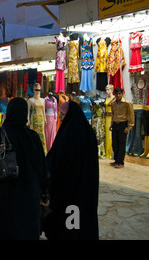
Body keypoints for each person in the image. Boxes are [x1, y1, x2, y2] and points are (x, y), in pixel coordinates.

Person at [0, 97, 49, 240]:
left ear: (9, 112)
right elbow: (42, 166)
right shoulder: (33, 136)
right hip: (29, 194)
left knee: (4, 231)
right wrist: (44, 193)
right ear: (25, 113)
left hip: (3, 193)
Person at [44, 100, 99, 240]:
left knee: (68, 220)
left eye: (62, 115)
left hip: (68, 188)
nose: (60, 118)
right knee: (81, 218)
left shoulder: (67, 136)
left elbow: (57, 163)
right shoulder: (89, 134)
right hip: (84, 187)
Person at [110, 87, 134, 168]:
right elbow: (112, 114)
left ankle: (120, 162)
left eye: (119, 93)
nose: (118, 95)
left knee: (121, 143)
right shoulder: (113, 103)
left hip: (123, 124)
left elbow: (131, 116)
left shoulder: (127, 104)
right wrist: (111, 124)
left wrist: (129, 127)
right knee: (115, 143)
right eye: (116, 94)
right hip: (115, 124)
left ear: (122, 94)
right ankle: (116, 160)